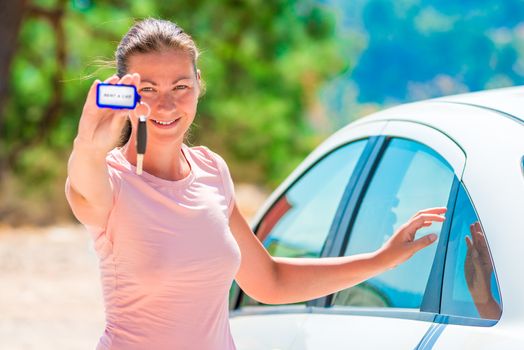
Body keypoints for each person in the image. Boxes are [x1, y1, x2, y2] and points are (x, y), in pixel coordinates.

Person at [65, 18, 447, 350]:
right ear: (125, 93)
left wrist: (381, 259)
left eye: (180, 87)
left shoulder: (212, 170)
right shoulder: (110, 179)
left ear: (199, 84)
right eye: (148, 89)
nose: (165, 105)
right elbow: (83, 185)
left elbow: (271, 282)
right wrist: (87, 146)